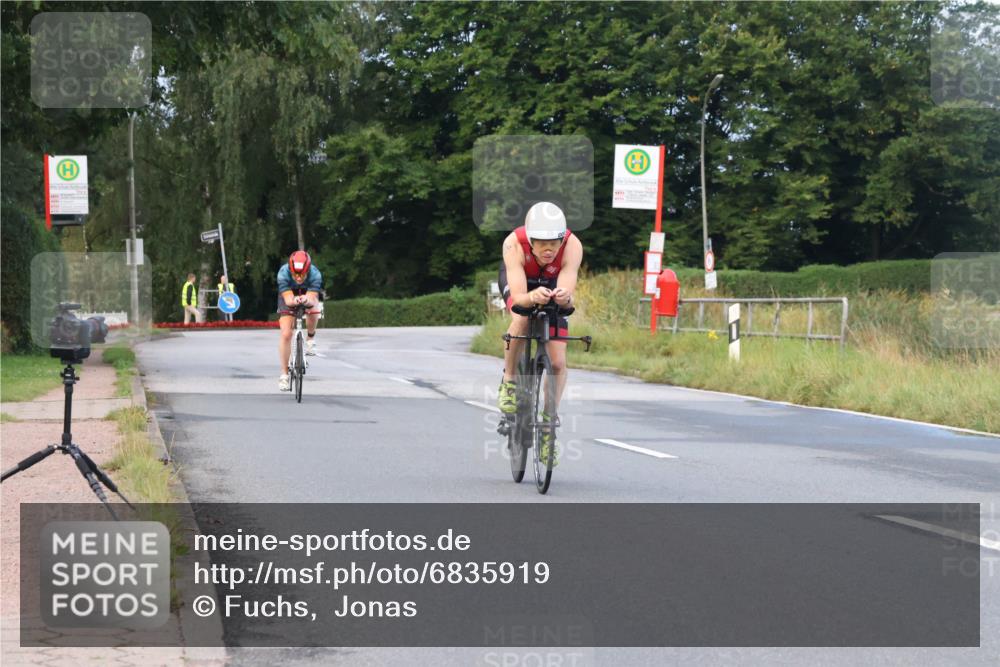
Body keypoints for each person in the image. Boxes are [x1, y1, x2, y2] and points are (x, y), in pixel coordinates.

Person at [496, 202, 583, 465]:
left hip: (553, 286)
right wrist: (532, 297)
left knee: (557, 362)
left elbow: (567, 302)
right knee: (522, 318)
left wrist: (565, 298)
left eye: (553, 243)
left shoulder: (573, 245)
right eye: (541, 243)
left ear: (561, 239)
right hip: (522, 282)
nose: (548, 249)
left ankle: (548, 425)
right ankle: (510, 381)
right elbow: (520, 299)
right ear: (530, 239)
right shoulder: (513, 244)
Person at [276, 251, 322, 391]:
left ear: (308, 270)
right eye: (295, 274)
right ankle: (284, 374)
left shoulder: (315, 274)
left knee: (314, 309)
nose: (299, 277)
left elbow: (312, 296)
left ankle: (310, 339)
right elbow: (288, 300)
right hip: (289, 293)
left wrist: (306, 300)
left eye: (302, 274)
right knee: (286, 334)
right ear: (290, 270)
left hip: (307, 292)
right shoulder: (283, 273)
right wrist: (294, 300)